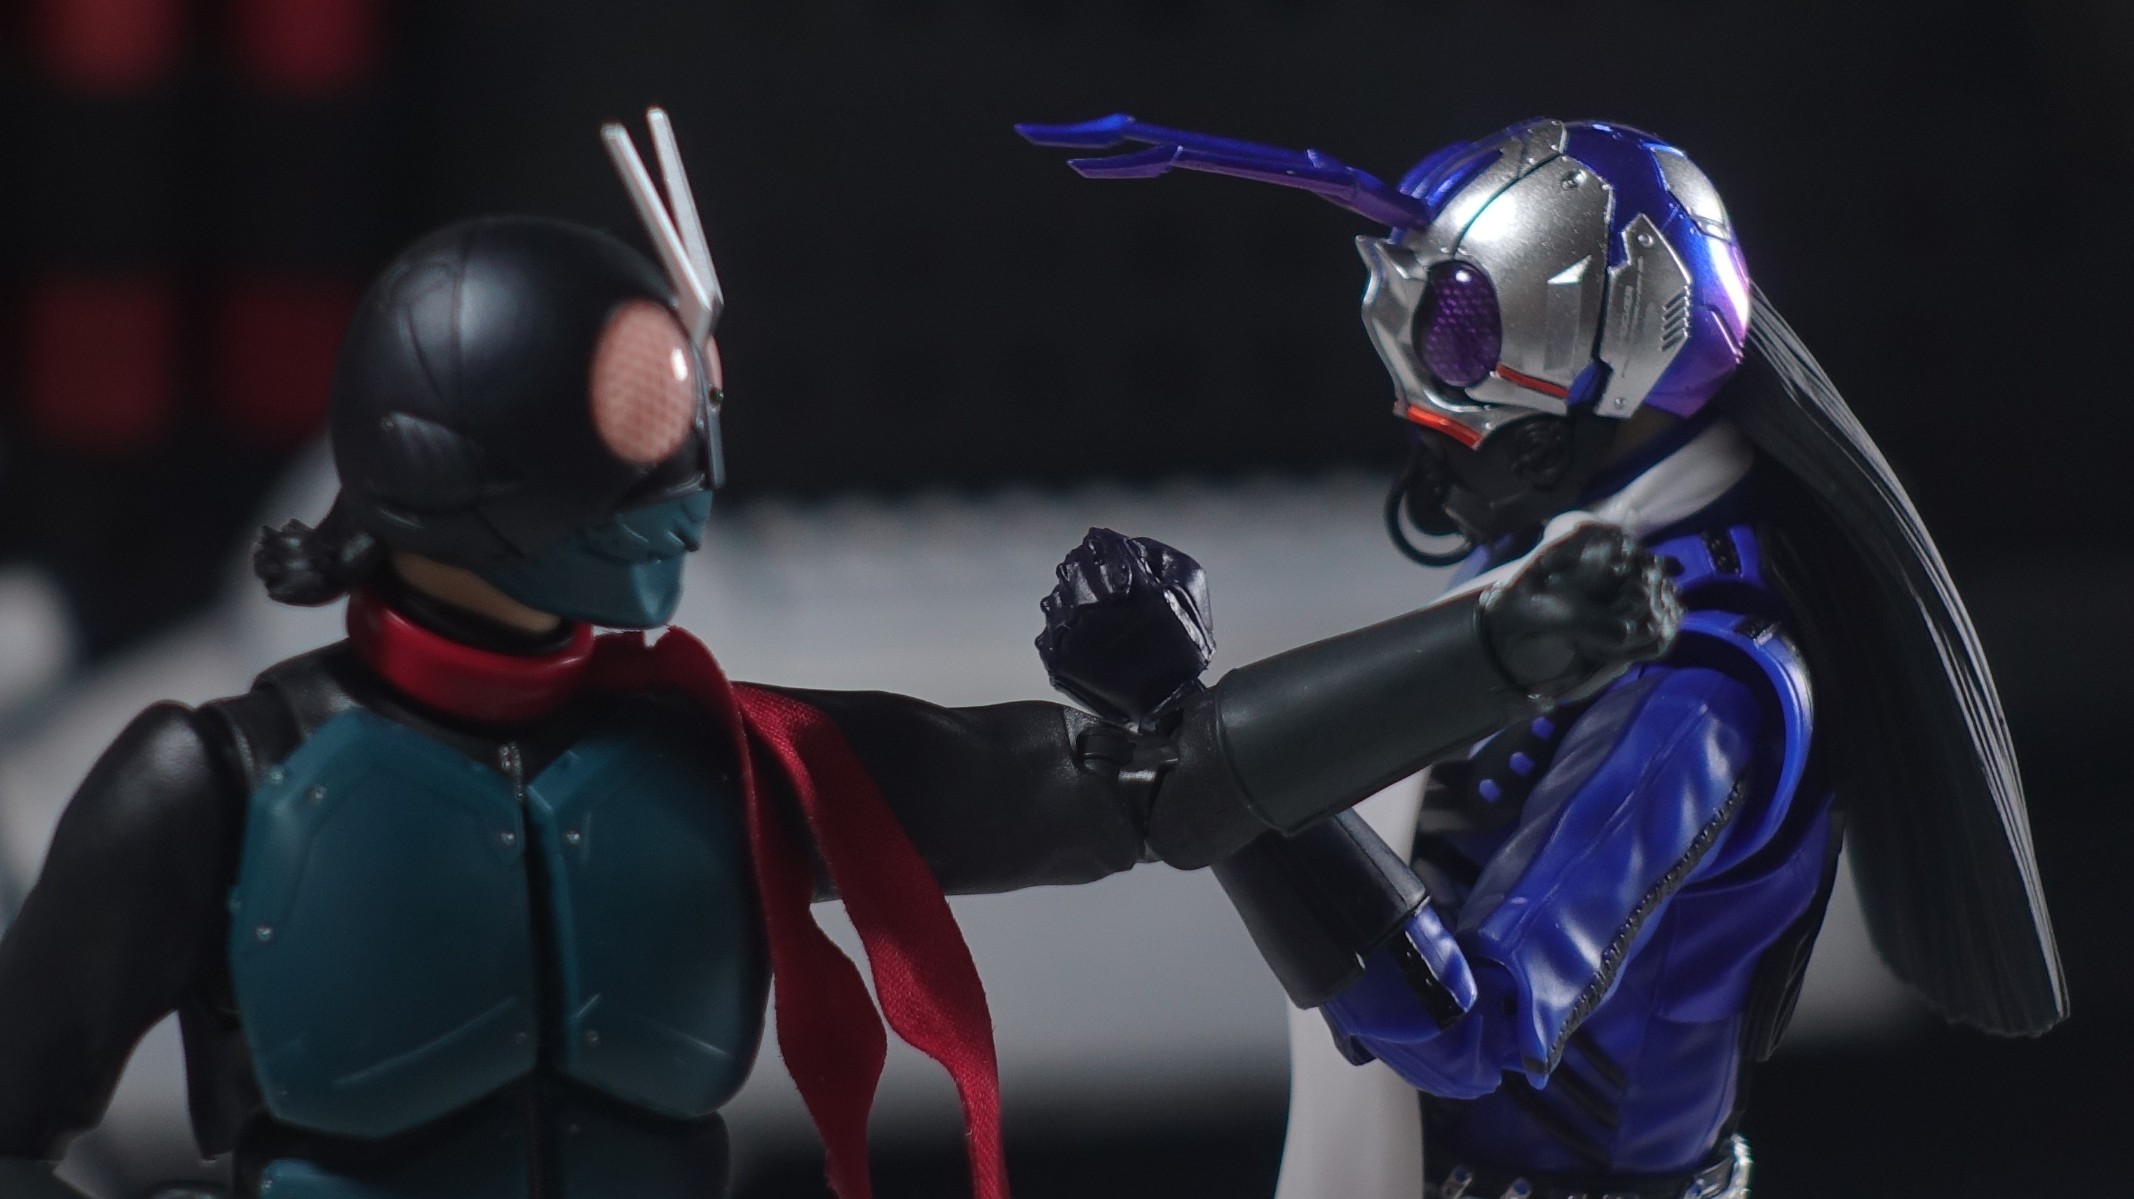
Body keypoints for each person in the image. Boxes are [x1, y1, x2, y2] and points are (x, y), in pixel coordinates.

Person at [0, 113, 1681, 1199]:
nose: (691, 465)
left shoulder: (723, 759)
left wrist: (1493, 651)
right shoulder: (217, 787)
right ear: (473, 464)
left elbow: (1146, 789)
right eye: (646, 416)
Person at [1020, 114, 2066, 1199]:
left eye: (1460, 341)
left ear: (1606, 365)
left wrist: (1205, 747)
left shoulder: (1697, 689)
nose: (1420, 405)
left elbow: (1470, 1030)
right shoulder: (1565, 550)